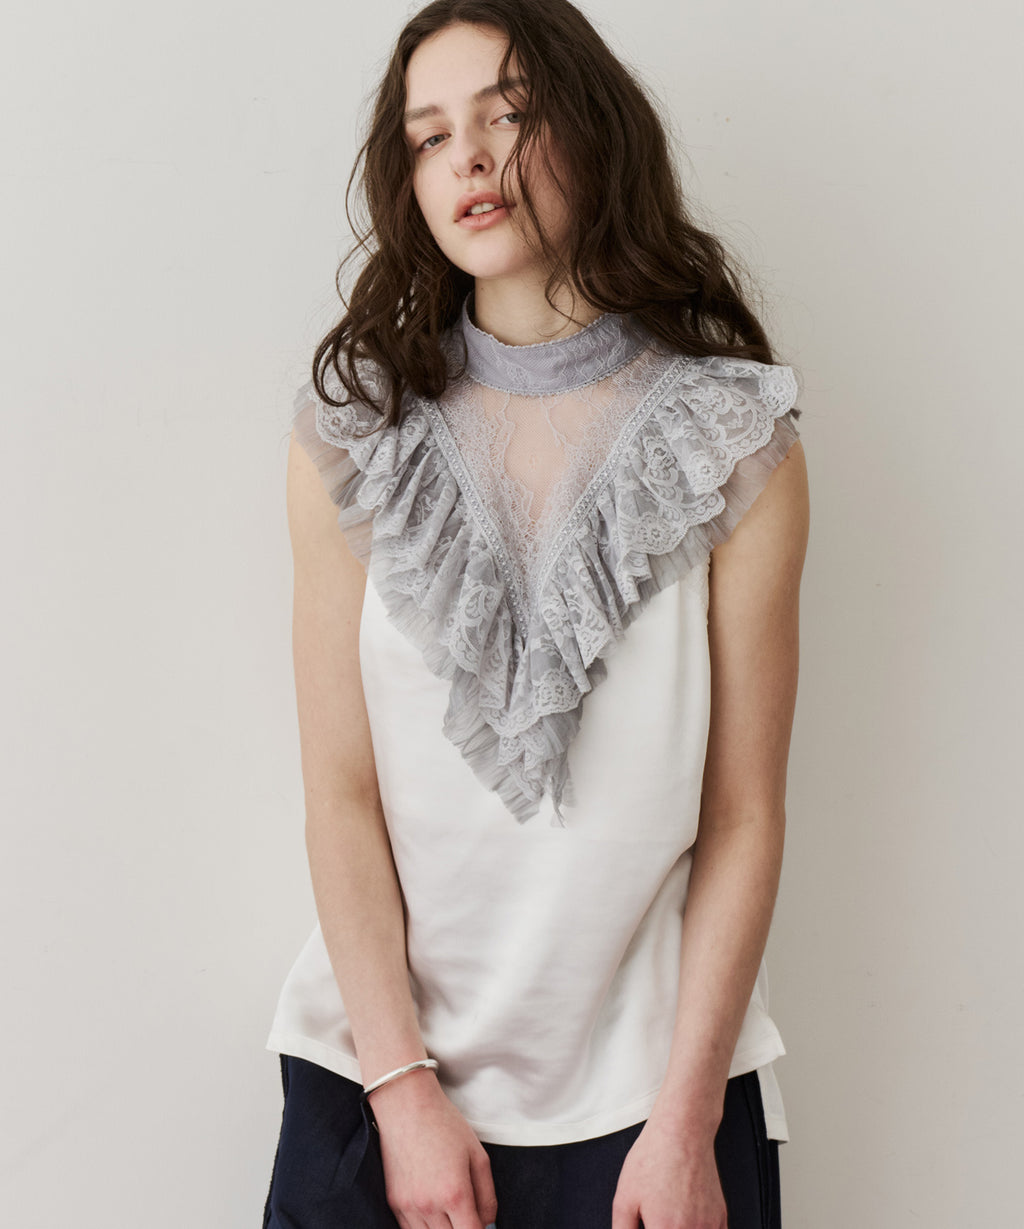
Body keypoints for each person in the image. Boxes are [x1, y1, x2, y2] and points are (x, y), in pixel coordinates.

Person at [263, 1, 810, 1226]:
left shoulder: (733, 441)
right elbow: (340, 793)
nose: (467, 156)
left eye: (507, 115)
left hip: (655, 1111)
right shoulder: (351, 438)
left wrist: (684, 1122)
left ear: (592, 127)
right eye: (428, 136)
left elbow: (742, 811)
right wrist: (400, 1090)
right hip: (380, 1083)